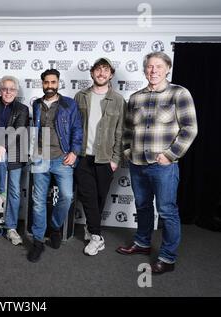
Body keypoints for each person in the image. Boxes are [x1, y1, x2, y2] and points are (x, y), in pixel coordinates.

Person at [117, 52, 198, 274]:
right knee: (142, 206)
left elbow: (190, 128)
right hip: (137, 163)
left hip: (163, 165)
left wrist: (170, 155)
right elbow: (127, 129)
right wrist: (126, 149)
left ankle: (167, 257)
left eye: (158, 67)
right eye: (150, 67)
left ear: (167, 69)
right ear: (145, 70)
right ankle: (142, 243)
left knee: (166, 210)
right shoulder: (135, 97)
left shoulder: (179, 93)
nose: (153, 71)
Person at [28, 69, 83, 262]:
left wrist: (74, 152)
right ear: (42, 83)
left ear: (58, 83)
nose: (50, 85)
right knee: (38, 201)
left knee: (67, 196)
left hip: (62, 158)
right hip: (40, 158)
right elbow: (33, 131)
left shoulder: (69, 104)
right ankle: (37, 241)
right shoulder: (36, 104)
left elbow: (77, 128)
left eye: (53, 82)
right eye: (46, 82)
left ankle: (55, 226)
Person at [74, 58, 126, 256]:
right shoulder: (81, 96)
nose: (101, 73)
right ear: (92, 73)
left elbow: (121, 131)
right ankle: (97, 237)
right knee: (87, 196)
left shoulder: (119, 100)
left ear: (111, 74)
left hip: (105, 158)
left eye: (106, 70)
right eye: (98, 69)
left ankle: (90, 227)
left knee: (99, 198)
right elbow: (74, 126)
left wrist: (115, 159)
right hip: (83, 157)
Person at [0, 76, 29, 245]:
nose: (8, 92)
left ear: (16, 91)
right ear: (0, 90)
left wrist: (3, 146)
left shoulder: (22, 109)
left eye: (11, 89)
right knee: (0, 154)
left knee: (13, 190)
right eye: (5, 89)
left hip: (15, 152)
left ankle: (10, 226)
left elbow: (19, 130)